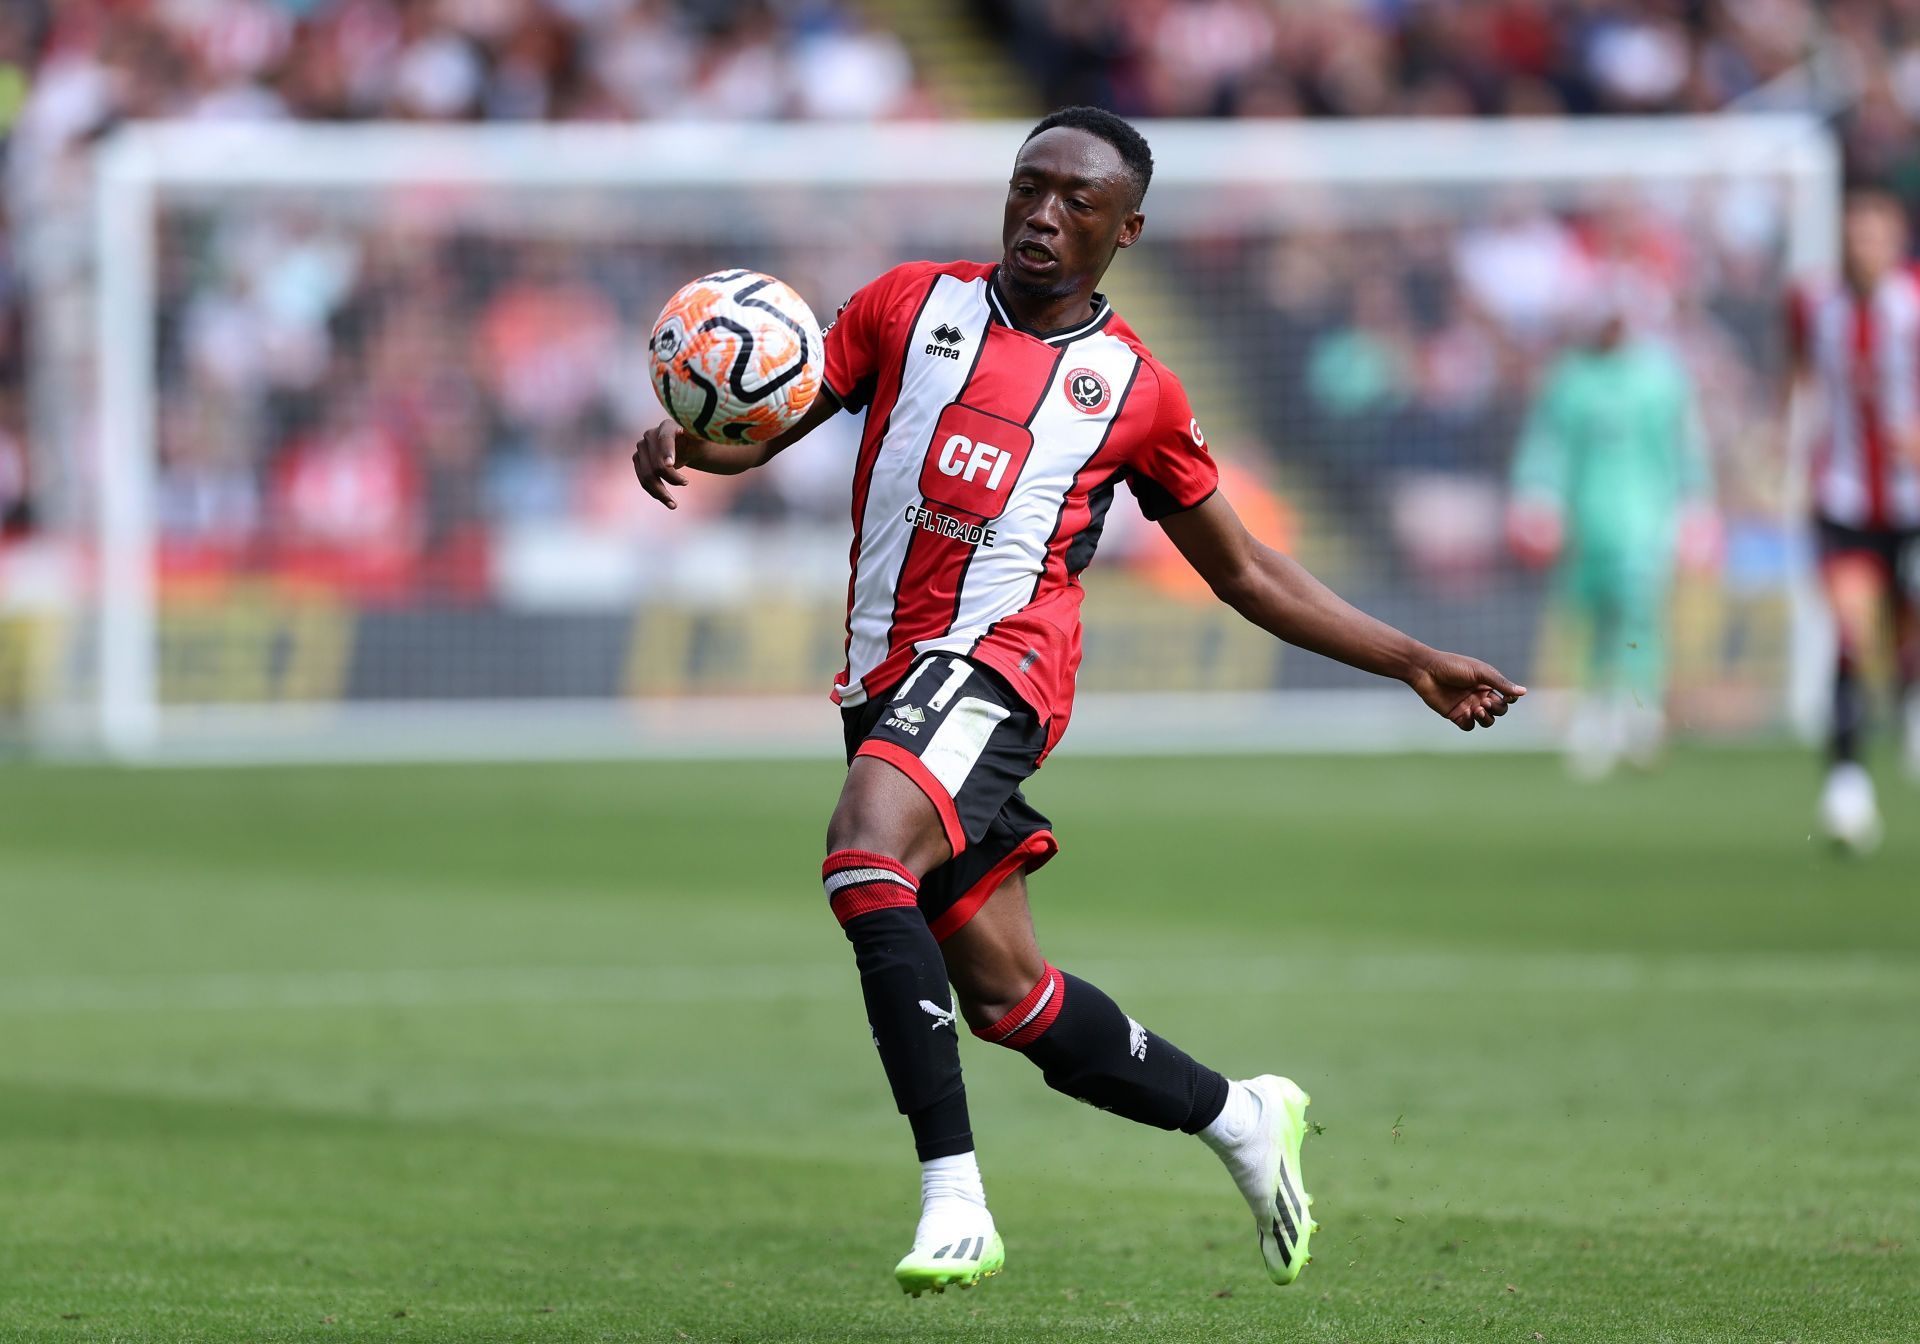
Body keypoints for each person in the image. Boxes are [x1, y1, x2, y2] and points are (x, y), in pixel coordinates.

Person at [632, 107, 1524, 1295]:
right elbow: (775, 419)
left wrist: (1410, 657)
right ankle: (1242, 1116)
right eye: (1027, 189)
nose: (1042, 217)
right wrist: (696, 443)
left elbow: (1245, 572)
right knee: (1012, 1003)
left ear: (1127, 230)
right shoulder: (909, 302)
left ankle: (955, 1195)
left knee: (862, 855)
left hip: (1001, 671)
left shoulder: (1135, 393)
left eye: (1076, 203)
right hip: (885, 685)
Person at [1507, 289, 1714, 778]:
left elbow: (1686, 446)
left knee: (1640, 614)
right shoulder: (1570, 379)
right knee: (1591, 618)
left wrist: (1695, 505)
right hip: (1586, 522)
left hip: (1647, 519)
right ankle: (1593, 710)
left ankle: (1639, 710)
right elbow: (1546, 446)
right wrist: (1537, 498)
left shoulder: (1660, 377)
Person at [1787, 186, 1920, 852]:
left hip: (1911, 499)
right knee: (1850, 629)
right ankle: (1846, 782)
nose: (1863, 248)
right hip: (1841, 498)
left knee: (1904, 627)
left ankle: (1910, 701)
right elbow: (1797, 378)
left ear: (1896, 241)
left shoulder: (1914, 303)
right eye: (1854, 235)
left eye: (1876, 235)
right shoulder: (1814, 304)